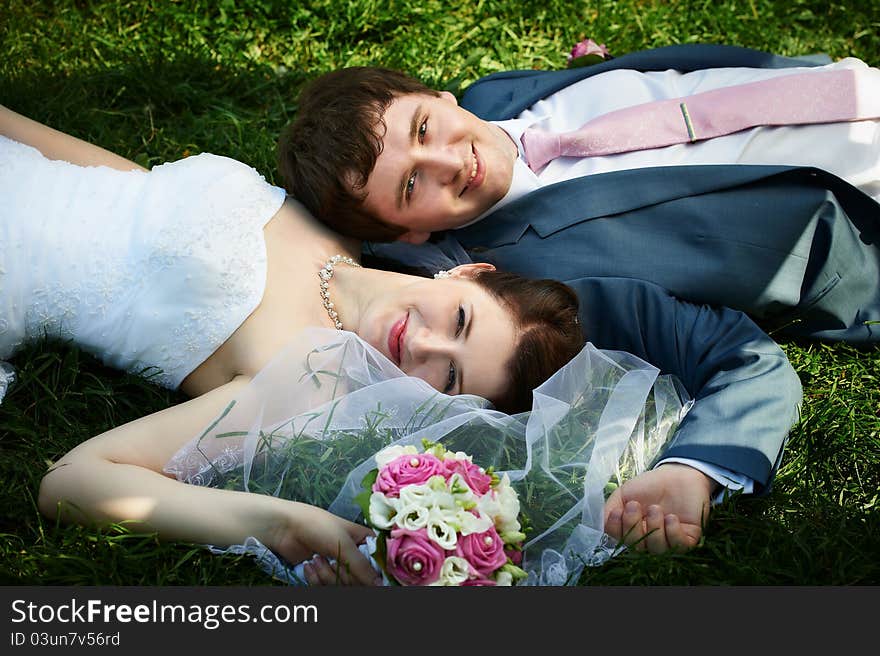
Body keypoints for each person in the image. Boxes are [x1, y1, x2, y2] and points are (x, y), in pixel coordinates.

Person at [1, 105, 799, 577]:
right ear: (467, 275)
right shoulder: (330, 224)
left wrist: (278, 523)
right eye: (457, 324)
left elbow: (74, 481)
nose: (417, 348)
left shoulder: (305, 383)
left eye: (445, 382)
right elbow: (138, 188)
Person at [278, 43, 880, 343]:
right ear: (409, 232)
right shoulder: (542, 269)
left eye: (423, 129)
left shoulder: (495, 97)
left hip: (837, 87)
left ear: (439, 98)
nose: (448, 161)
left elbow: (669, 74)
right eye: (411, 186)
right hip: (856, 200)